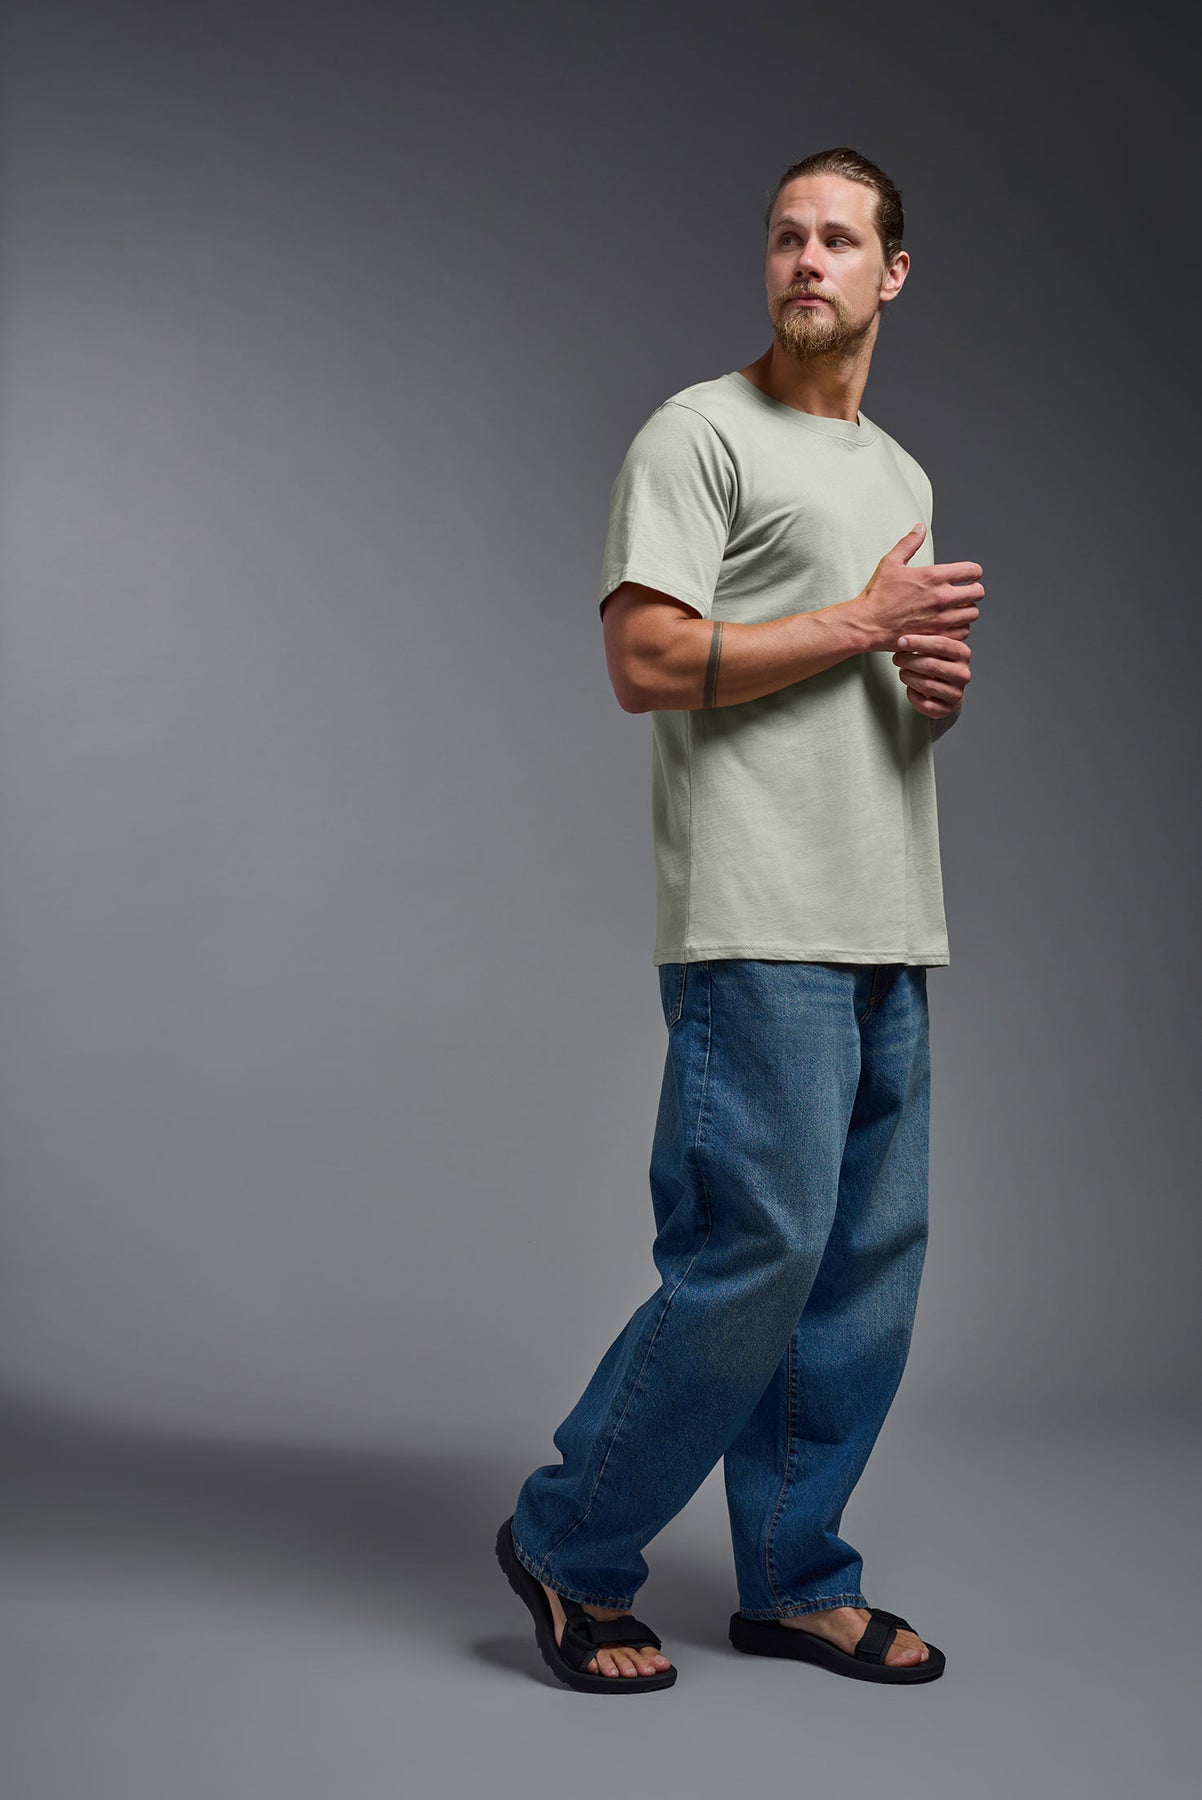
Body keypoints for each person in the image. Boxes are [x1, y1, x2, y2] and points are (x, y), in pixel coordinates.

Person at [495, 146, 981, 1694]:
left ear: (890, 273)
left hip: (888, 908)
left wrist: (926, 686)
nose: (805, 259)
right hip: (757, 911)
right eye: (785, 236)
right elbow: (645, 662)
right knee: (753, 1254)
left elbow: (862, 677)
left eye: (837, 238)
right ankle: (569, 1547)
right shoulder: (696, 434)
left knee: (859, 1272)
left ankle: (792, 1578)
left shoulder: (898, 476)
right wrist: (862, 622)